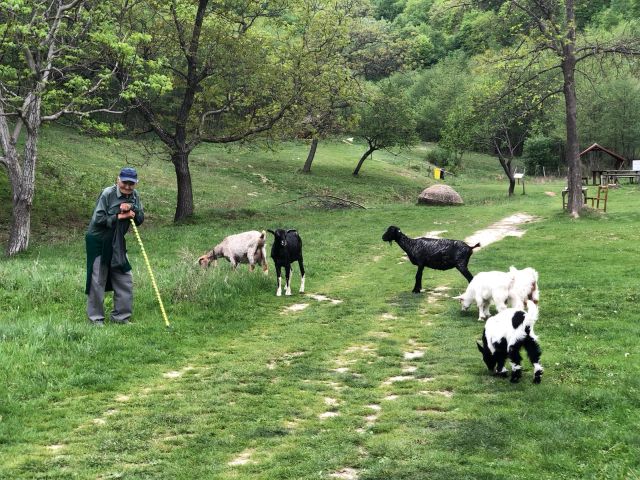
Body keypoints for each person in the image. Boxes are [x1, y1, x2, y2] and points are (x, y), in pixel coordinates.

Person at [85, 167, 144, 325]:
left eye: (131, 184)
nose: (127, 186)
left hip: (117, 240)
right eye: (124, 182)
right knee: (98, 278)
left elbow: (139, 219)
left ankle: (121, 317)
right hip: (98, 240)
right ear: (118, 180)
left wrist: (133, 209)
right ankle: (96, 319)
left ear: (136, 184)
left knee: (125, 277)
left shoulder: (134, 196)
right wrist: (120, 213)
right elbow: (98, 219)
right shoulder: (108, 194)